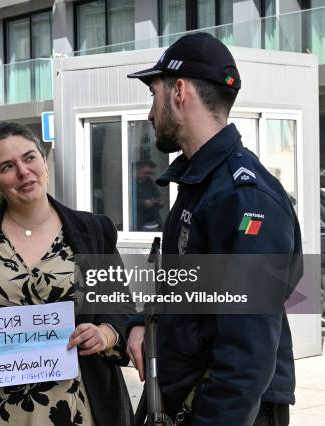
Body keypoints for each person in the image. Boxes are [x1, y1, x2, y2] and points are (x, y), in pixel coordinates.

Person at [126, 32, 303, 425]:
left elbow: (249, 350)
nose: (150, 113)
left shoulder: (242, 198)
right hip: (185, 396)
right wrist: (141, 324)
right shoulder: (200, 185)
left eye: (154, 94)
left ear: (179, 92)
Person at [0, 122, 134, 425]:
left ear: (44, 161)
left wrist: (105, 334)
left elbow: (120, 309)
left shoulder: (93, 230)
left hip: (76, 409)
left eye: (29, 158)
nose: (23, 172)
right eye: (7, 166)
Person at [133, 160, 163, 231]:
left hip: (154, 222)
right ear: (138, 169)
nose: (149, 175)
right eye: (147, 173)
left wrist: (158, 202)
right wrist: (144, 203)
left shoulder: (150, 182)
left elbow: (159, 198)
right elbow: (126, 201)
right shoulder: (130, 183)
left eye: (151, 173)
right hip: (137, 224)